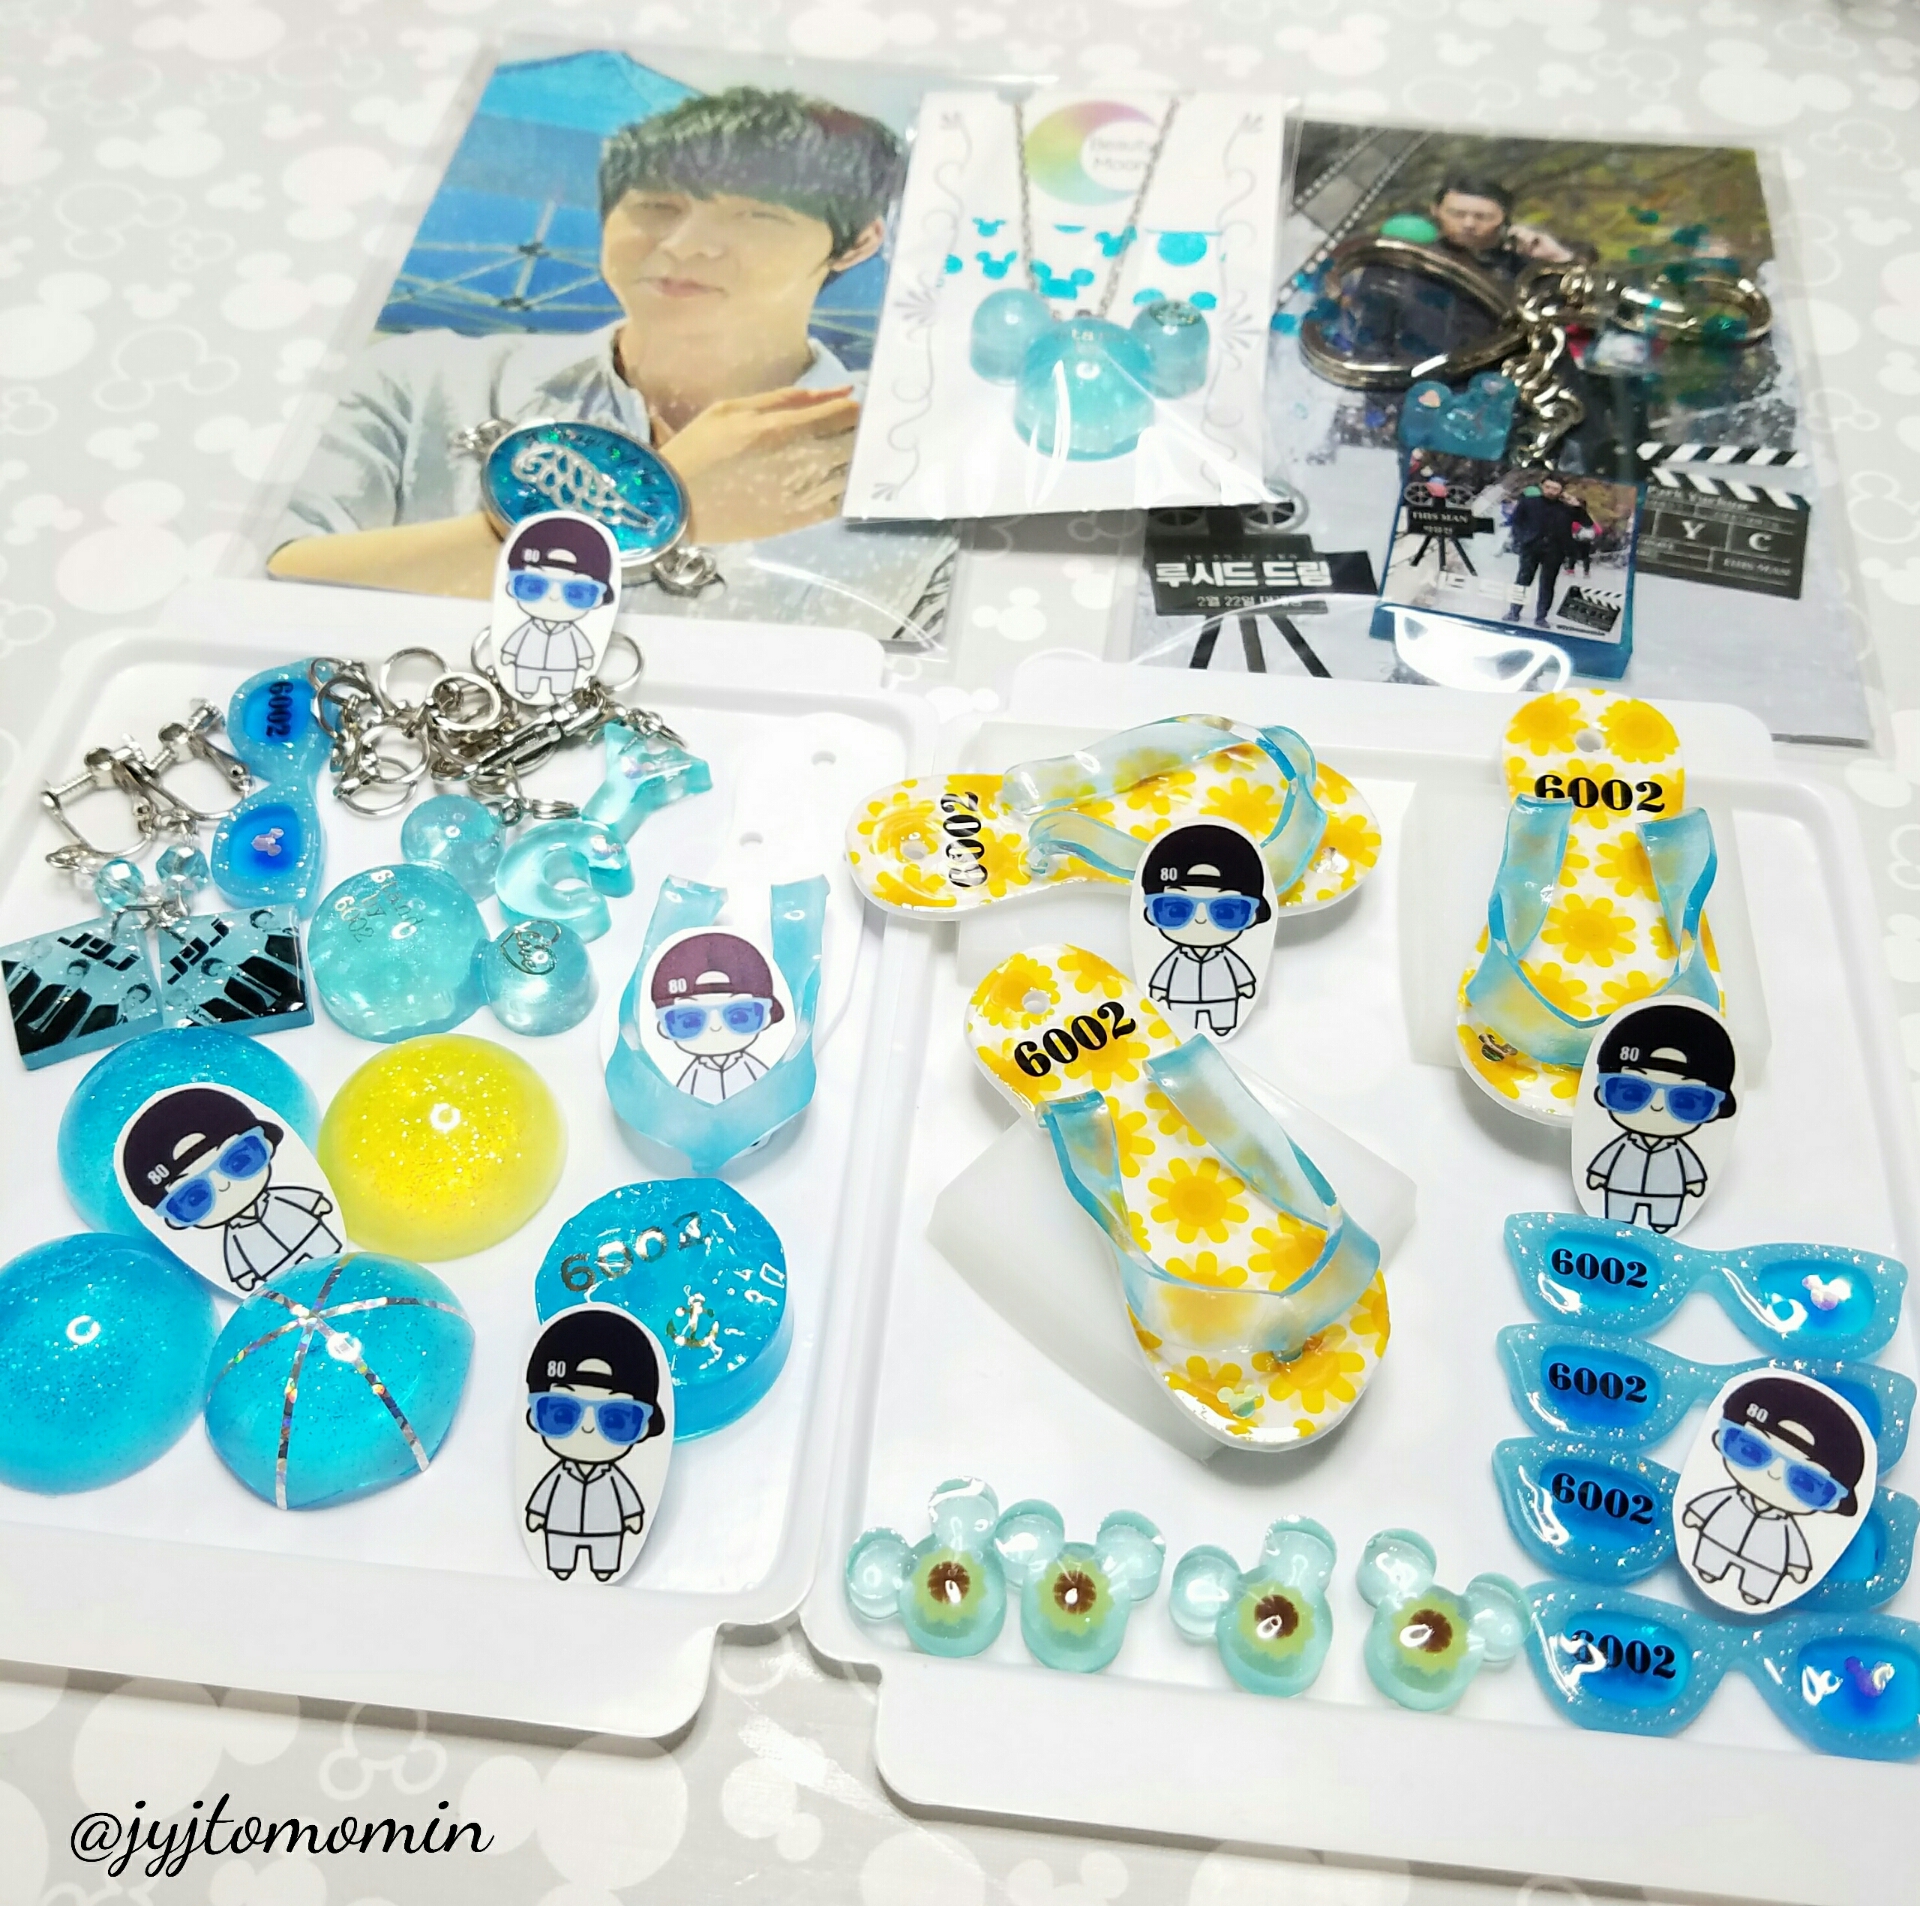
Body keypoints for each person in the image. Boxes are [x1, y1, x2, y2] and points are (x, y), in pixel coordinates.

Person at [268, 87, 948, 636]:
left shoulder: (922, 460)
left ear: (857, 242)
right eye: (657, 206)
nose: (685, 244)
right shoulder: (425, 381)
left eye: (756, 216)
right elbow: (270, 590)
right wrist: (660, 508)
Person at [120, 1086, 340, 1293]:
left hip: (311, 1235)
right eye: (195, 1198)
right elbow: (234, 1259)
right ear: (175, 1219)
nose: (223, 1185)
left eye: (239, 1162)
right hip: (271, 1268)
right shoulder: (233, 1238)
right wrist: (244, 1275)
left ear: (267, 1145)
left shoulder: (280, 1200)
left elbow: (305, 1200)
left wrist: (316, 1204)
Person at [1681, 1375, 1865, 1606]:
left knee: (1761, 1578)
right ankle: (1709, 1568)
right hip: (1717, 1540)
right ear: (1720, 1439)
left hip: (1766, 1562)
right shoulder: (1730, 1499)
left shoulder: (1785, 1527)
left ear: (1833, 1503)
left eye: (1805, 1482)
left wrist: (1797, 1565)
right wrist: (1696, 1514)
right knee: (1711, 1556)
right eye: (1751, 1451)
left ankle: (1755, 1593)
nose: (1774, 1474)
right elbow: (1709, 1503)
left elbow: (1796, 1543)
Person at [524, 1309, 668, 1583]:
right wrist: (536, 1512)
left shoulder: (614, 1479)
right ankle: (561, 1565)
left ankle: (604, 1566)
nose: (588, 1428)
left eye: (615, 1419)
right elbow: (543, 1492)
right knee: (560, 1551)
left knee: (606, 1553)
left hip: (607, 1529)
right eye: (562, 1414)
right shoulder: (559, 1475)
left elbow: (627, 1495)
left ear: (644, 1428)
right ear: (533, 1417)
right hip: (560, 1527)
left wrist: (633, 1515)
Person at [1583, 1004, 1738, 1232]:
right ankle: (1620, 1217)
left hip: (1668, 1191)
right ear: (1601, 1093)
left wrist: (1694, 1181)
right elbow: (1606, 1157)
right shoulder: (1623, 1145)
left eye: (1685, 1101)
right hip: (1621, 1187)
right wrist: (1598, 1174)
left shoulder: (1678, 1151)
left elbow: (1690, 1164)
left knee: (1665, 1211)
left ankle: (1663, 1221)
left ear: (1714, 1110)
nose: (1657, 1106)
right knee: (1619, 1209)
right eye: (1632, 1093)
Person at [1141, 824, 1271, 1038]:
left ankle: (1223, 1024)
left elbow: (1239, 969)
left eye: (1226, 911)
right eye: (1176, 910)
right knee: (1182, 1020)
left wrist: (1246, 984)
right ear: (1150, 913)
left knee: (1223, 1016)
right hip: (1182, 998)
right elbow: (1164, 972)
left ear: (1253, 916)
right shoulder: (1175, 959)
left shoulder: (1226, 957)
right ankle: (1185, 1025)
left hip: (1224, 997)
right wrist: (1159, 988)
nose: (1200, 919)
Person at [651, 931, 786, 1101]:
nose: (715, 1027)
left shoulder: (757, 1070)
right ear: (664, 1028)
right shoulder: (687, 1079)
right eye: (689, 1021)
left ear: (766, 1018)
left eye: (739, 1017)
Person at [493, 516, 614, 705]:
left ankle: (560, 691)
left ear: (598, 599)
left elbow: (582, 645)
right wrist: (508, 654)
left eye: (576, 592)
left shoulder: (574, 634)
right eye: (534, 586)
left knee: (562, 684)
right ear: (510, 587)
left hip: (564, 668)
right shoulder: (525, 629)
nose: (554, 597)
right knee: (526, 679)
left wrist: (585, 658)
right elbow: (514, 640)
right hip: (527, 664)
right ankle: (526, 689)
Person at [1503, 476, 1594, 626]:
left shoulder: (1567, 508)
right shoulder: (1529, 502)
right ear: (1542, 486)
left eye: (1555, 489)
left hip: (1555, 550)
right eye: (1548, 487)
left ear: (1561, 491)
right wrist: (1521, 539)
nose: (1551, 491)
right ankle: (1514, 611)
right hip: (1531, 546)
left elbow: (1588, 523)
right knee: (1522, 580)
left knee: (1548, 584)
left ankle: (1541, 616)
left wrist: (1577, 506)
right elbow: (1516, 522)